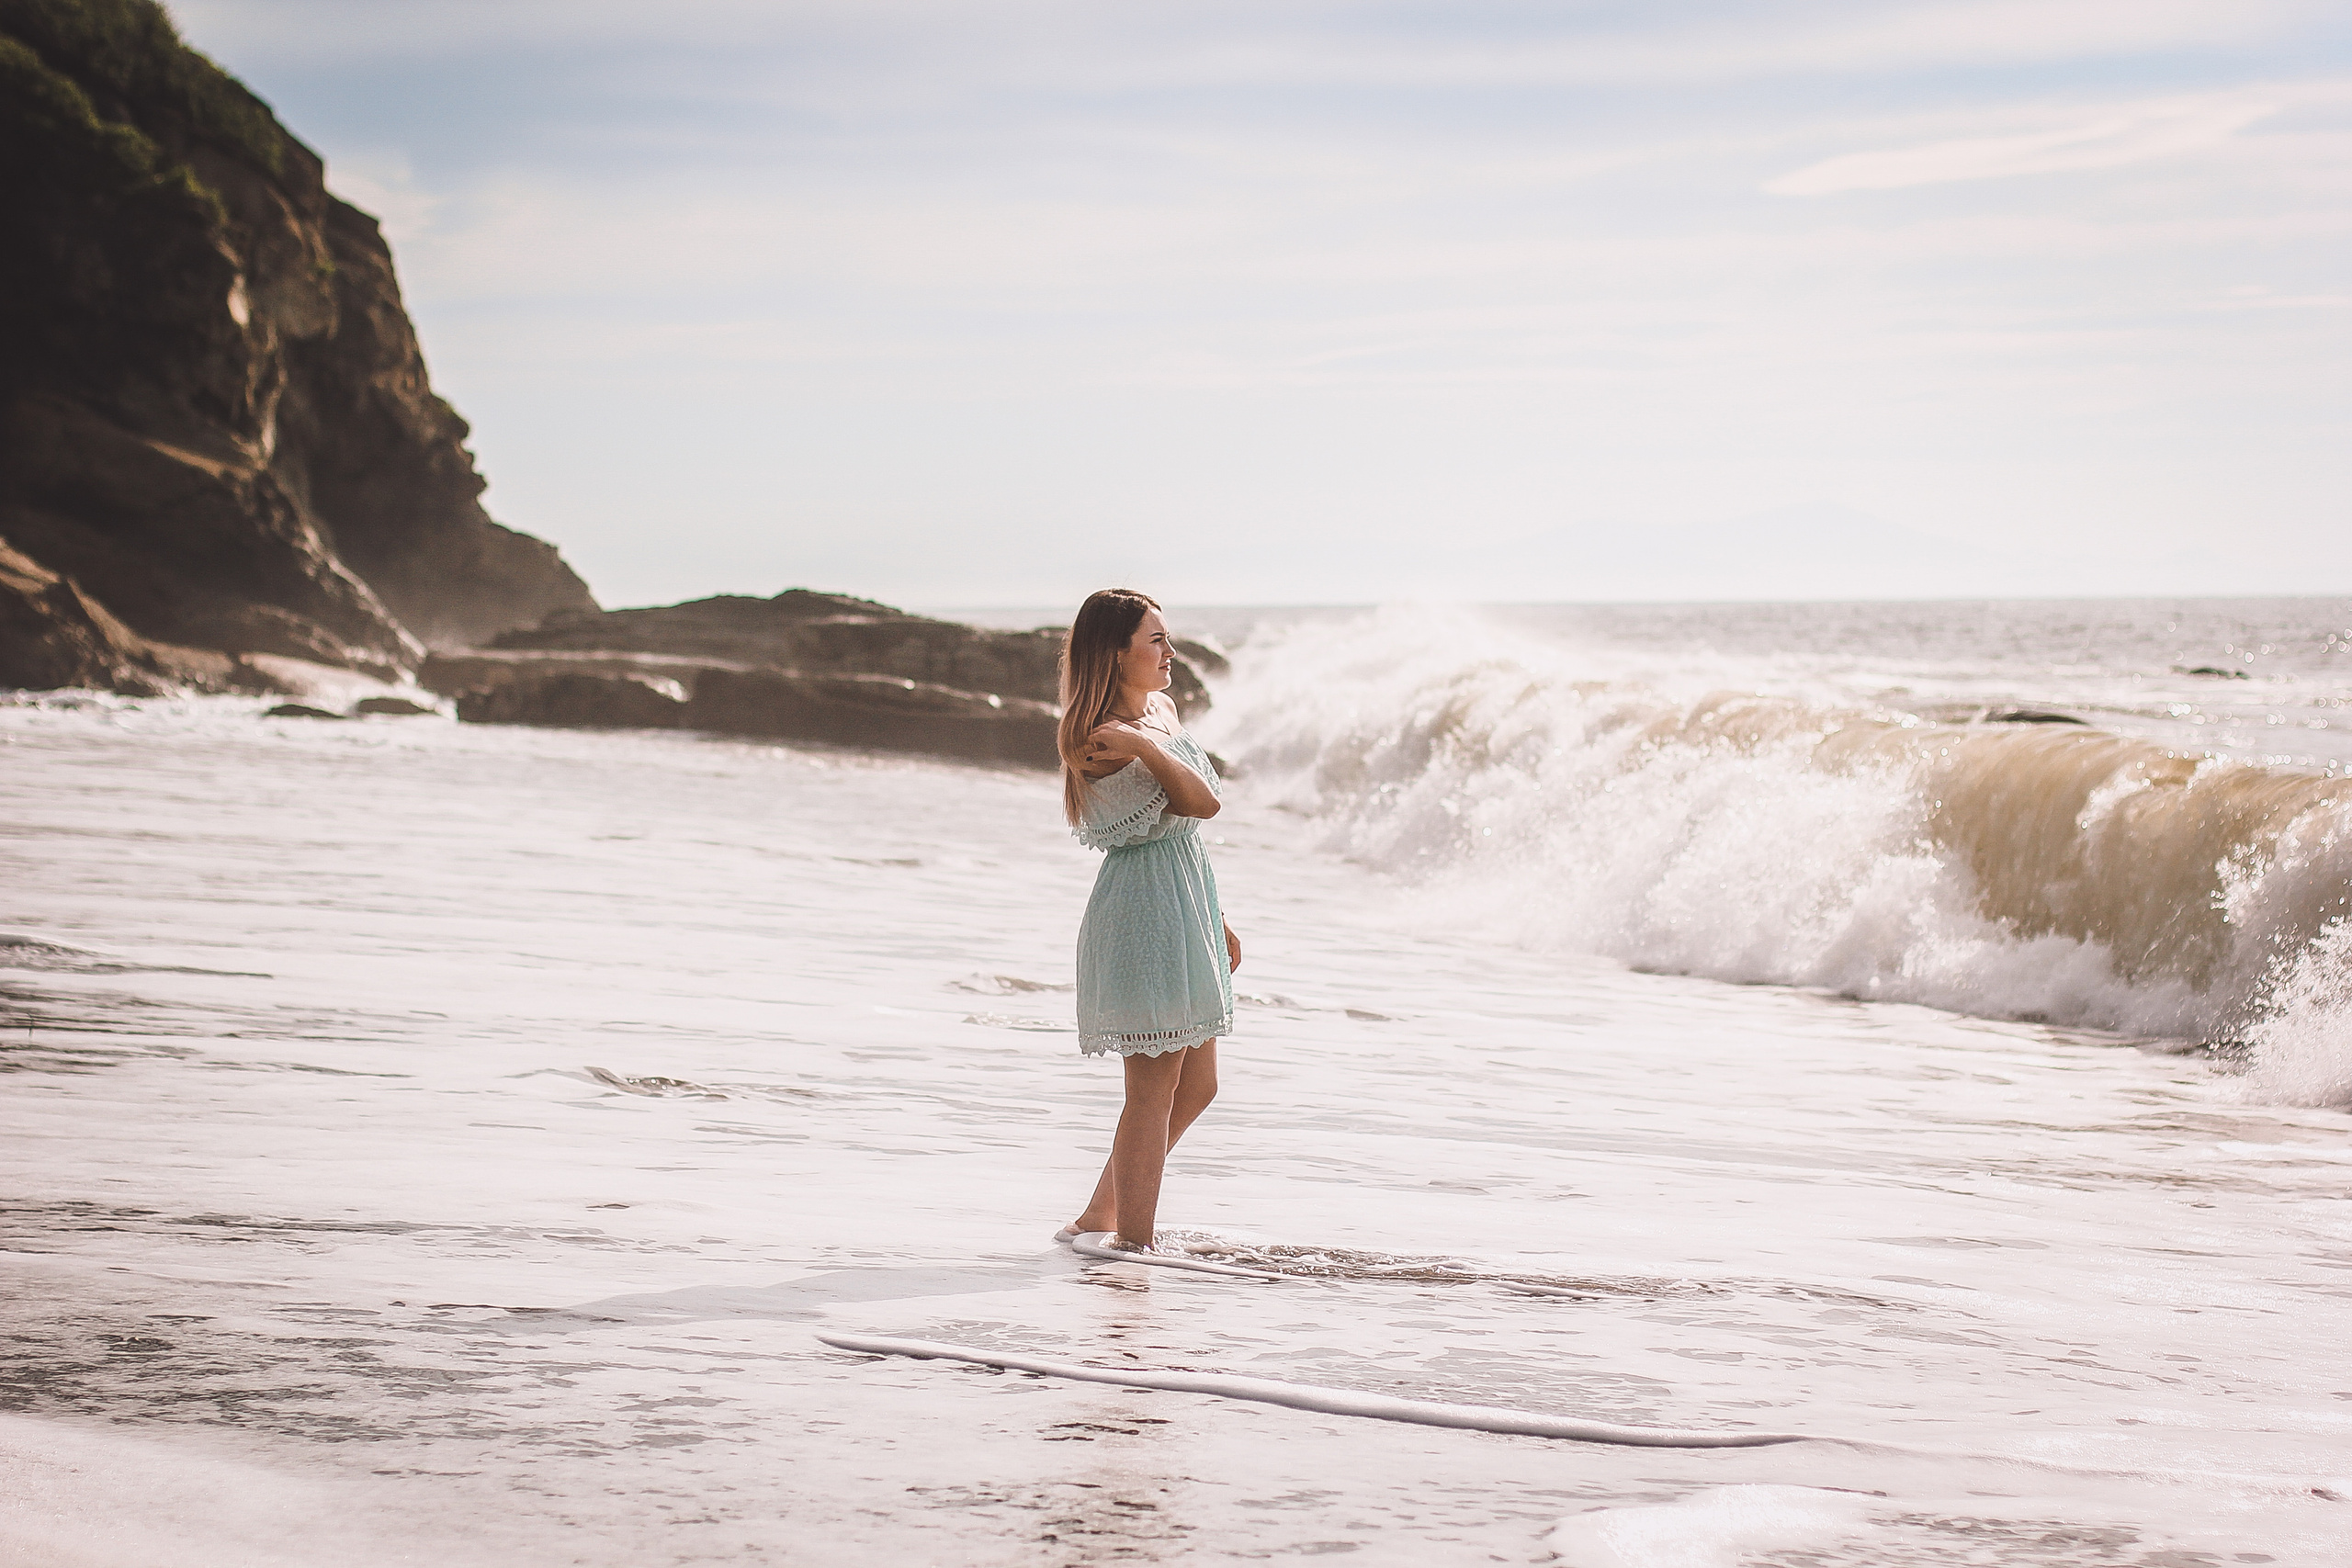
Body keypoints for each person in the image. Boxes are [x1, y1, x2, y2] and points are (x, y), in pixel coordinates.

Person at [1056, 588, 1240, 1253]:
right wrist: (1149, 750)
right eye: (1156, 639)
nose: (1170, 652)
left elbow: (1194, 815)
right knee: (1151, 1091)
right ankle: (1134, 1248)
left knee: (1199, 1083)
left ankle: (1099, 1213)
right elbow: (1201, 800)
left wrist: (1214, 919)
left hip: (1184, 898)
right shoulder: (1096, 738)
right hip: (1140, 912)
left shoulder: (1159, 710)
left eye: (1167, 636)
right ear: (1116, 651)